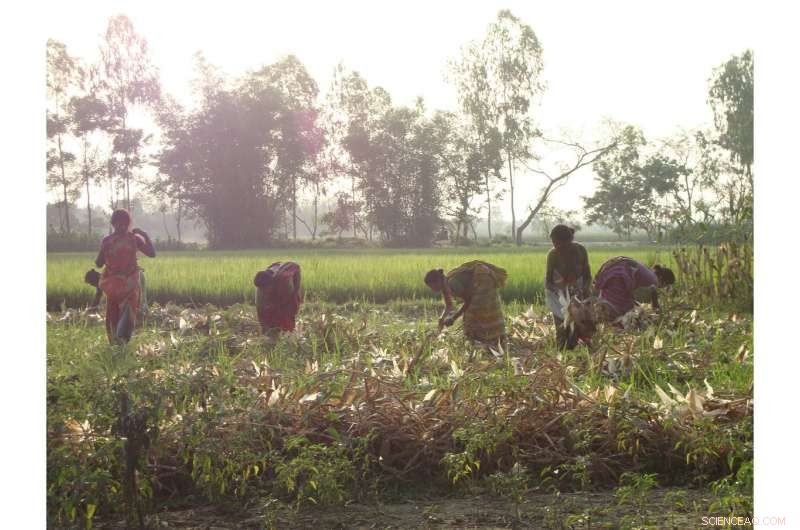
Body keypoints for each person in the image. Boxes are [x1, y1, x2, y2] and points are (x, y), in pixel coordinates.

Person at [94, 209, 156, 343]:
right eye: (119, 223)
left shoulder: (114, 240)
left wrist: (143, 234)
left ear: (128, 224)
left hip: (124, 285)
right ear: (113, 223)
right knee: (116, 313)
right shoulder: (130, 239)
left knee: (122, 313)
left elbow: (151, 254)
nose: (121, 226)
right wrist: (143, 235)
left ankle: (120, 344)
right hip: (118, 286)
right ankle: (117, 344)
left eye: (124, 223)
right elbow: (99, 263)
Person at [424, 260, 507, 346]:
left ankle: (492, 337)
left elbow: (468, 301)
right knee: (471, 313)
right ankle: (480, 338)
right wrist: (442, 318)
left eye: (431, 286)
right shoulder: (444, 286)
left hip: (483, 278)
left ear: (438, 281)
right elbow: (449, 305)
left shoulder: (452, 283)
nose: (432, 290)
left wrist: (453, 318)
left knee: (477, 309)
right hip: (475, 283)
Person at [544, 225, 592, 349]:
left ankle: (580, 353)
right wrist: (559, 293)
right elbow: (548, 281)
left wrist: (585, 289)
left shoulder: (580, 251)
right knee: (562, 328)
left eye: (558, 242)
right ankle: (563, 353)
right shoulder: (552, 255)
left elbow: (587, 275)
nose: (555, 246)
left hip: (579, 294)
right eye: (553, 242)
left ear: (568, 240)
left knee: (581, 327)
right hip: (559, 297)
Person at [593, 257, 676, 322]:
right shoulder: (654, 280)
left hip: (616, 270)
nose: (661, 288)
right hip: (619, 275)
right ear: (662, 280)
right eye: (664, 286)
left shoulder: (650, 272)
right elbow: (653, 302)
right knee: (621, 307)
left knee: (608, 300)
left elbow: (632, 294)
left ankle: (599, 319)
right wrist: (658, 314)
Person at [254, 261, 302, 335]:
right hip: (275, 272)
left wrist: (296, 288)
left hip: (290, 275)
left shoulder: (284, 280)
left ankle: (289, 333)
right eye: (263, 290)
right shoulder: (260, 291)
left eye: (267, 289)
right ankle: (276, 328)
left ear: (272, 283)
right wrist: (264, 329)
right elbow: (260, 311)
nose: (265, 292)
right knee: (269, 310)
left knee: (289, 310)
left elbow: (297, 266)